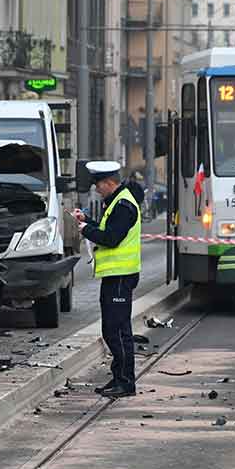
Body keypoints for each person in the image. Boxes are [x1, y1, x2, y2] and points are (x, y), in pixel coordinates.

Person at [73, 161, 144, 398]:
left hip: (121, 277)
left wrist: (86, 230)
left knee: (117, 330)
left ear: (109, 183)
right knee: (114, 329)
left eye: (98, 185)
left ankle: (125, 382)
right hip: (115, 277)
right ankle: (119, 378)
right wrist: (88, 221)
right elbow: (107, 229)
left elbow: (111, 238)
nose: (96, 190)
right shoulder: (116, 201)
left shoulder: (123, 205)